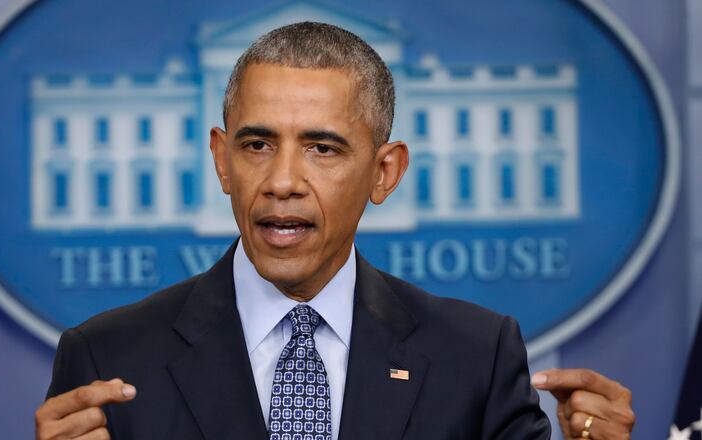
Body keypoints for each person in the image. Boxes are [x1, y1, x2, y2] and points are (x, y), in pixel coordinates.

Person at [36, 22, 635, 440]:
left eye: (322, 148)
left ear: (384, 172)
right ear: (222, 161)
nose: (282, 181)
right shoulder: (109, 359)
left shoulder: (475, 357)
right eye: (257, 144)